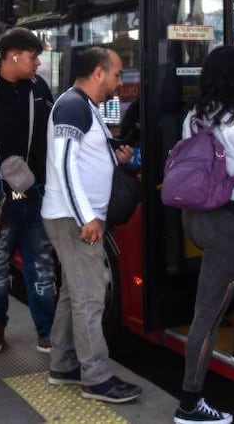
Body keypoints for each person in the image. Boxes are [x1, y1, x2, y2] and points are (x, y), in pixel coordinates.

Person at [174, 45, 234, 424]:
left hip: (195, 217)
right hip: (230, 223)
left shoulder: (194, 116)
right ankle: (189, 404)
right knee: (209, 313)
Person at [42, 46, 141, 404]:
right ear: (98, 73)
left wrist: (114, 157)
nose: (119, 81)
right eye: (116, 73)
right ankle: (96, 378)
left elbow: (82, 157)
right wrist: (87, 217)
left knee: (73, 293)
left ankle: (63, 364)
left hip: (73, 215)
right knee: (89, 298)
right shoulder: (73, 106)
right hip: (73, 218)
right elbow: (64, 166)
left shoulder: (84, 106)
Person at [0, 27, 57, 354]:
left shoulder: (38, 87)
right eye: (33, 56)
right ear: (13, 55)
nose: (38, 62)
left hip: (35, 192)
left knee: (41, 266)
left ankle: (47, 331)